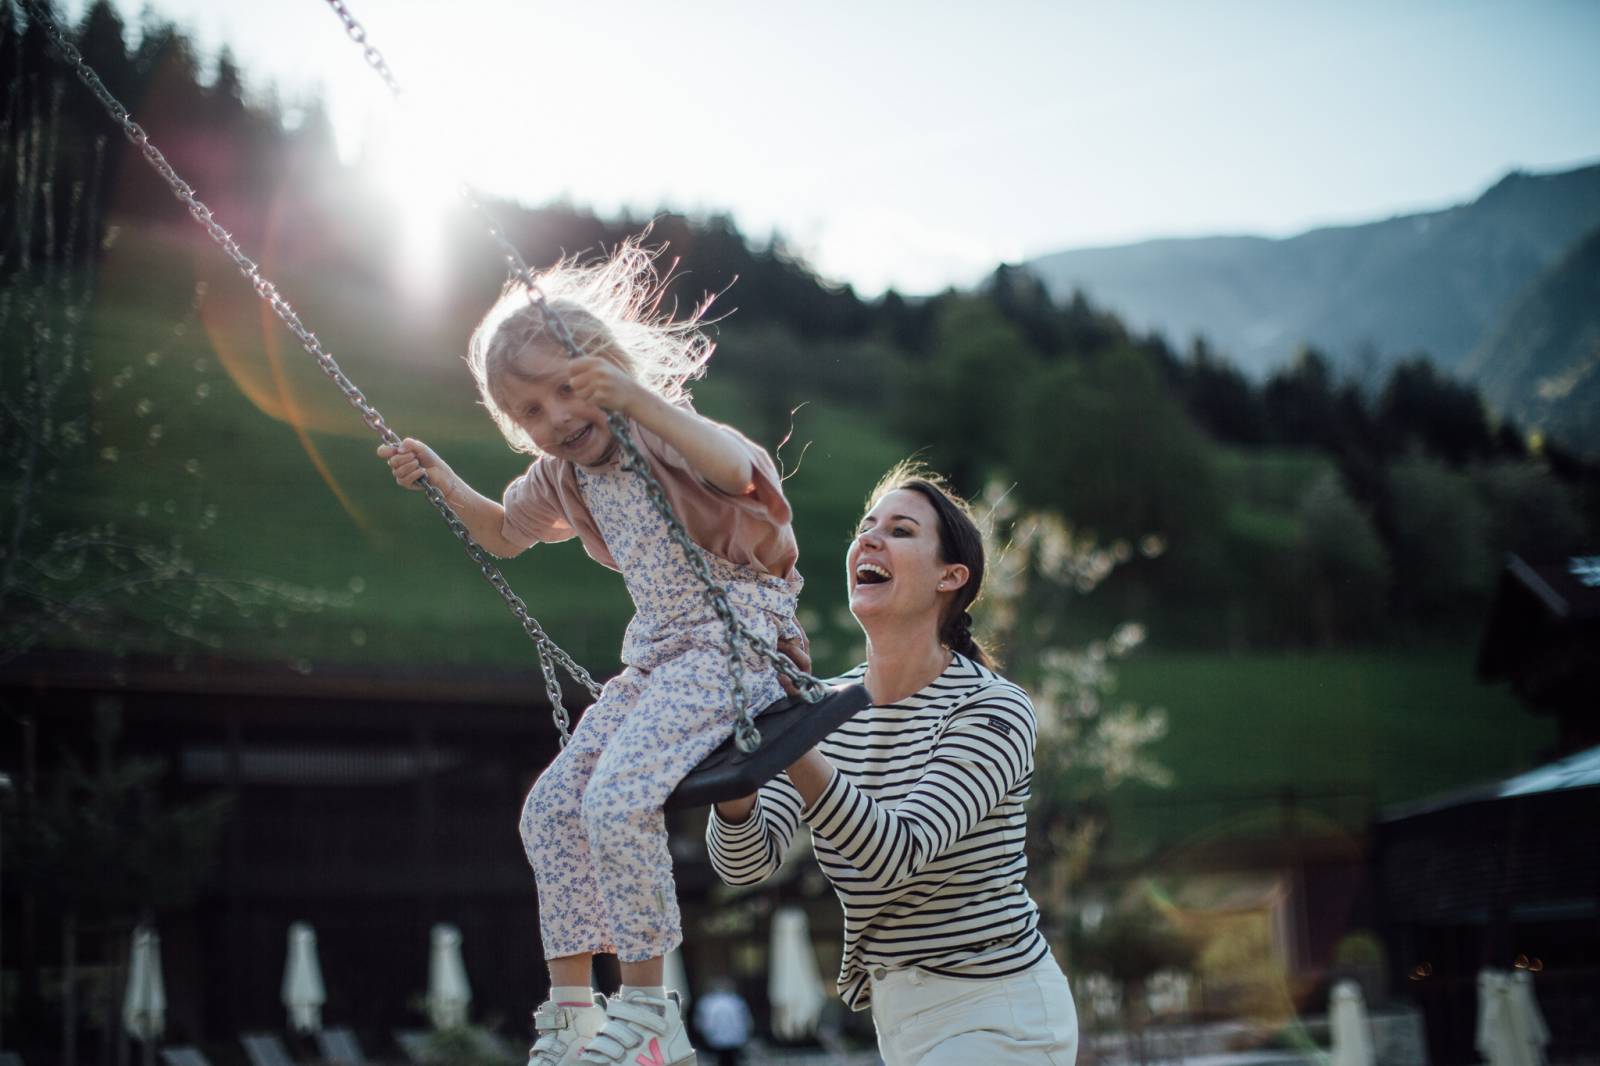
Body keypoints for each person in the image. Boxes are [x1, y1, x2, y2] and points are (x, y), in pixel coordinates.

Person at [381, 243, 803, 1066]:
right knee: (550, 808)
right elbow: (505, 533)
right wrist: (441, 479)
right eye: (529, 412)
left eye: (567, 390)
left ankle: (649, 1004)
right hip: (658, 659)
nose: (555, 420)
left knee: (617, 798)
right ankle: (573, 1010)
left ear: (608, 371)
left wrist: (640, 402)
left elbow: (739, 472)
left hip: (739, 642)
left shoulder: (670, 435)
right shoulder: (562, 476)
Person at [707, 462, 1079, 1066]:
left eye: (901, 531)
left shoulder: (993, 711)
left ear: (949, 577)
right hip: (898, 1021)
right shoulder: (820, 707)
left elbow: (893, 858)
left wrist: (793, 736)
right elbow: (746, 864)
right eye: (867, 526)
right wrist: (738, 767)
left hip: (999, 1012)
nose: (870, 539)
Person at [692, 979, 754, 1066]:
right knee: (731, 1059)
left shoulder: (707, 1002)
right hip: (735, 1038)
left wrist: (705, 1033)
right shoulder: (737, 1001)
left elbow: (703, 1022)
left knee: (722, 1059)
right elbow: (745, 1020)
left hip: (715, 1038)